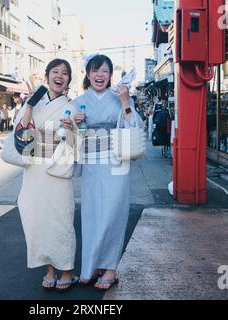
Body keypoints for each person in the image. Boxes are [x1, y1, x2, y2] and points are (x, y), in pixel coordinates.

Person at [72, 54, 144, 290]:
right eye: (95, 70)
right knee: (91, 215)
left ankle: (110, 268)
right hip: (92, 162)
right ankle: (92, 265)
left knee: (113, 213)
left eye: (104, 71)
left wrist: (125, 103)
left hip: (116, 162)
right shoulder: (79, 101)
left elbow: (135, 128)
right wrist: (72, 122)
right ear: (88, 74)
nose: (99, 75)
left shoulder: (120, 98)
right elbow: (69, 136)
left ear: (110, 75)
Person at [16, 58, 79, 292]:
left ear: (68, 81)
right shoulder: (35, 104)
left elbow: (76, 145)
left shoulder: (72, 107)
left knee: (61, 220)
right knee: (37, 218)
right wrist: (29, 106)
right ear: (47, 76)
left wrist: (72, 130)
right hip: (34, 169)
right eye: (55, 71)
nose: (60, 75)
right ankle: (49, 269)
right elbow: (21, 132)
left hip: (56, 168)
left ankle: (67, 269)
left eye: (65, 73)